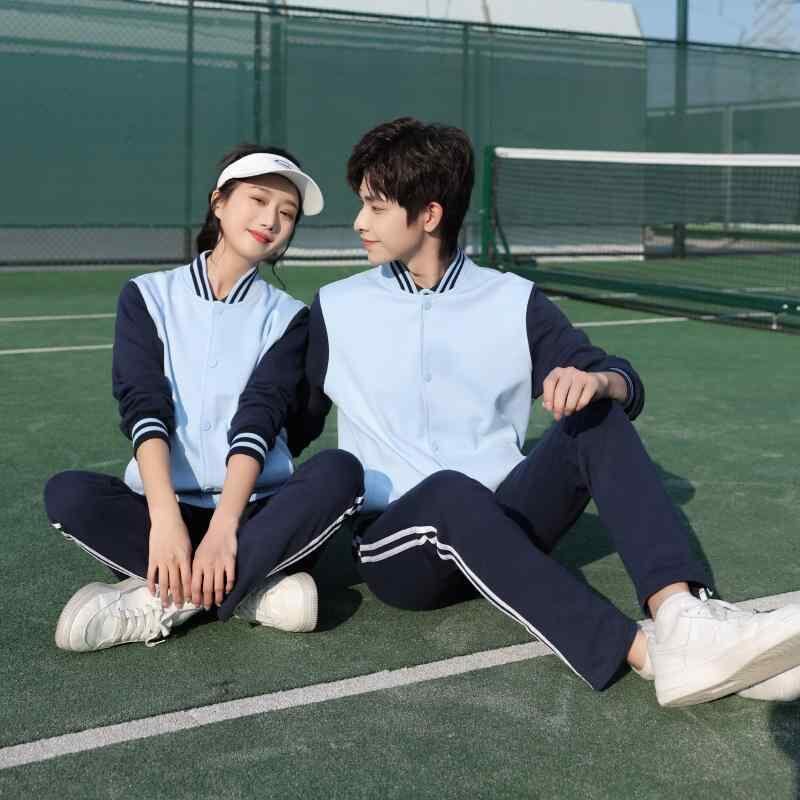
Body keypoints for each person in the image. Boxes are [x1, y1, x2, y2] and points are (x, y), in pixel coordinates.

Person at [300, 117, 800, 707]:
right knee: (450, 492)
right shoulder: (336, 308)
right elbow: (284, 420)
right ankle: (654, 657)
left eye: (376, 207)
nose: (359, 222)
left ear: (429, 215)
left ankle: (682, 616)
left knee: (597, 412)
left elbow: (618, 377)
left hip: (504, 525)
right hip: (400, 551)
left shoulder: (513, 300)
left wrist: (596, 380)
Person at [44, 144, 364, 652]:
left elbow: (260, 418)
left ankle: (169, 600)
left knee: (339, 473)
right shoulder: (146, 295)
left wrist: (224, 530)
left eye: (287, 213)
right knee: (68, 495)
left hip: (253, 512)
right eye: (258, 200)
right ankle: (253, 590)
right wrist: (165, 519)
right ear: (219, 202)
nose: (271, 220)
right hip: (161, 511)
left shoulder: (289, 317)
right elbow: (144, 407)